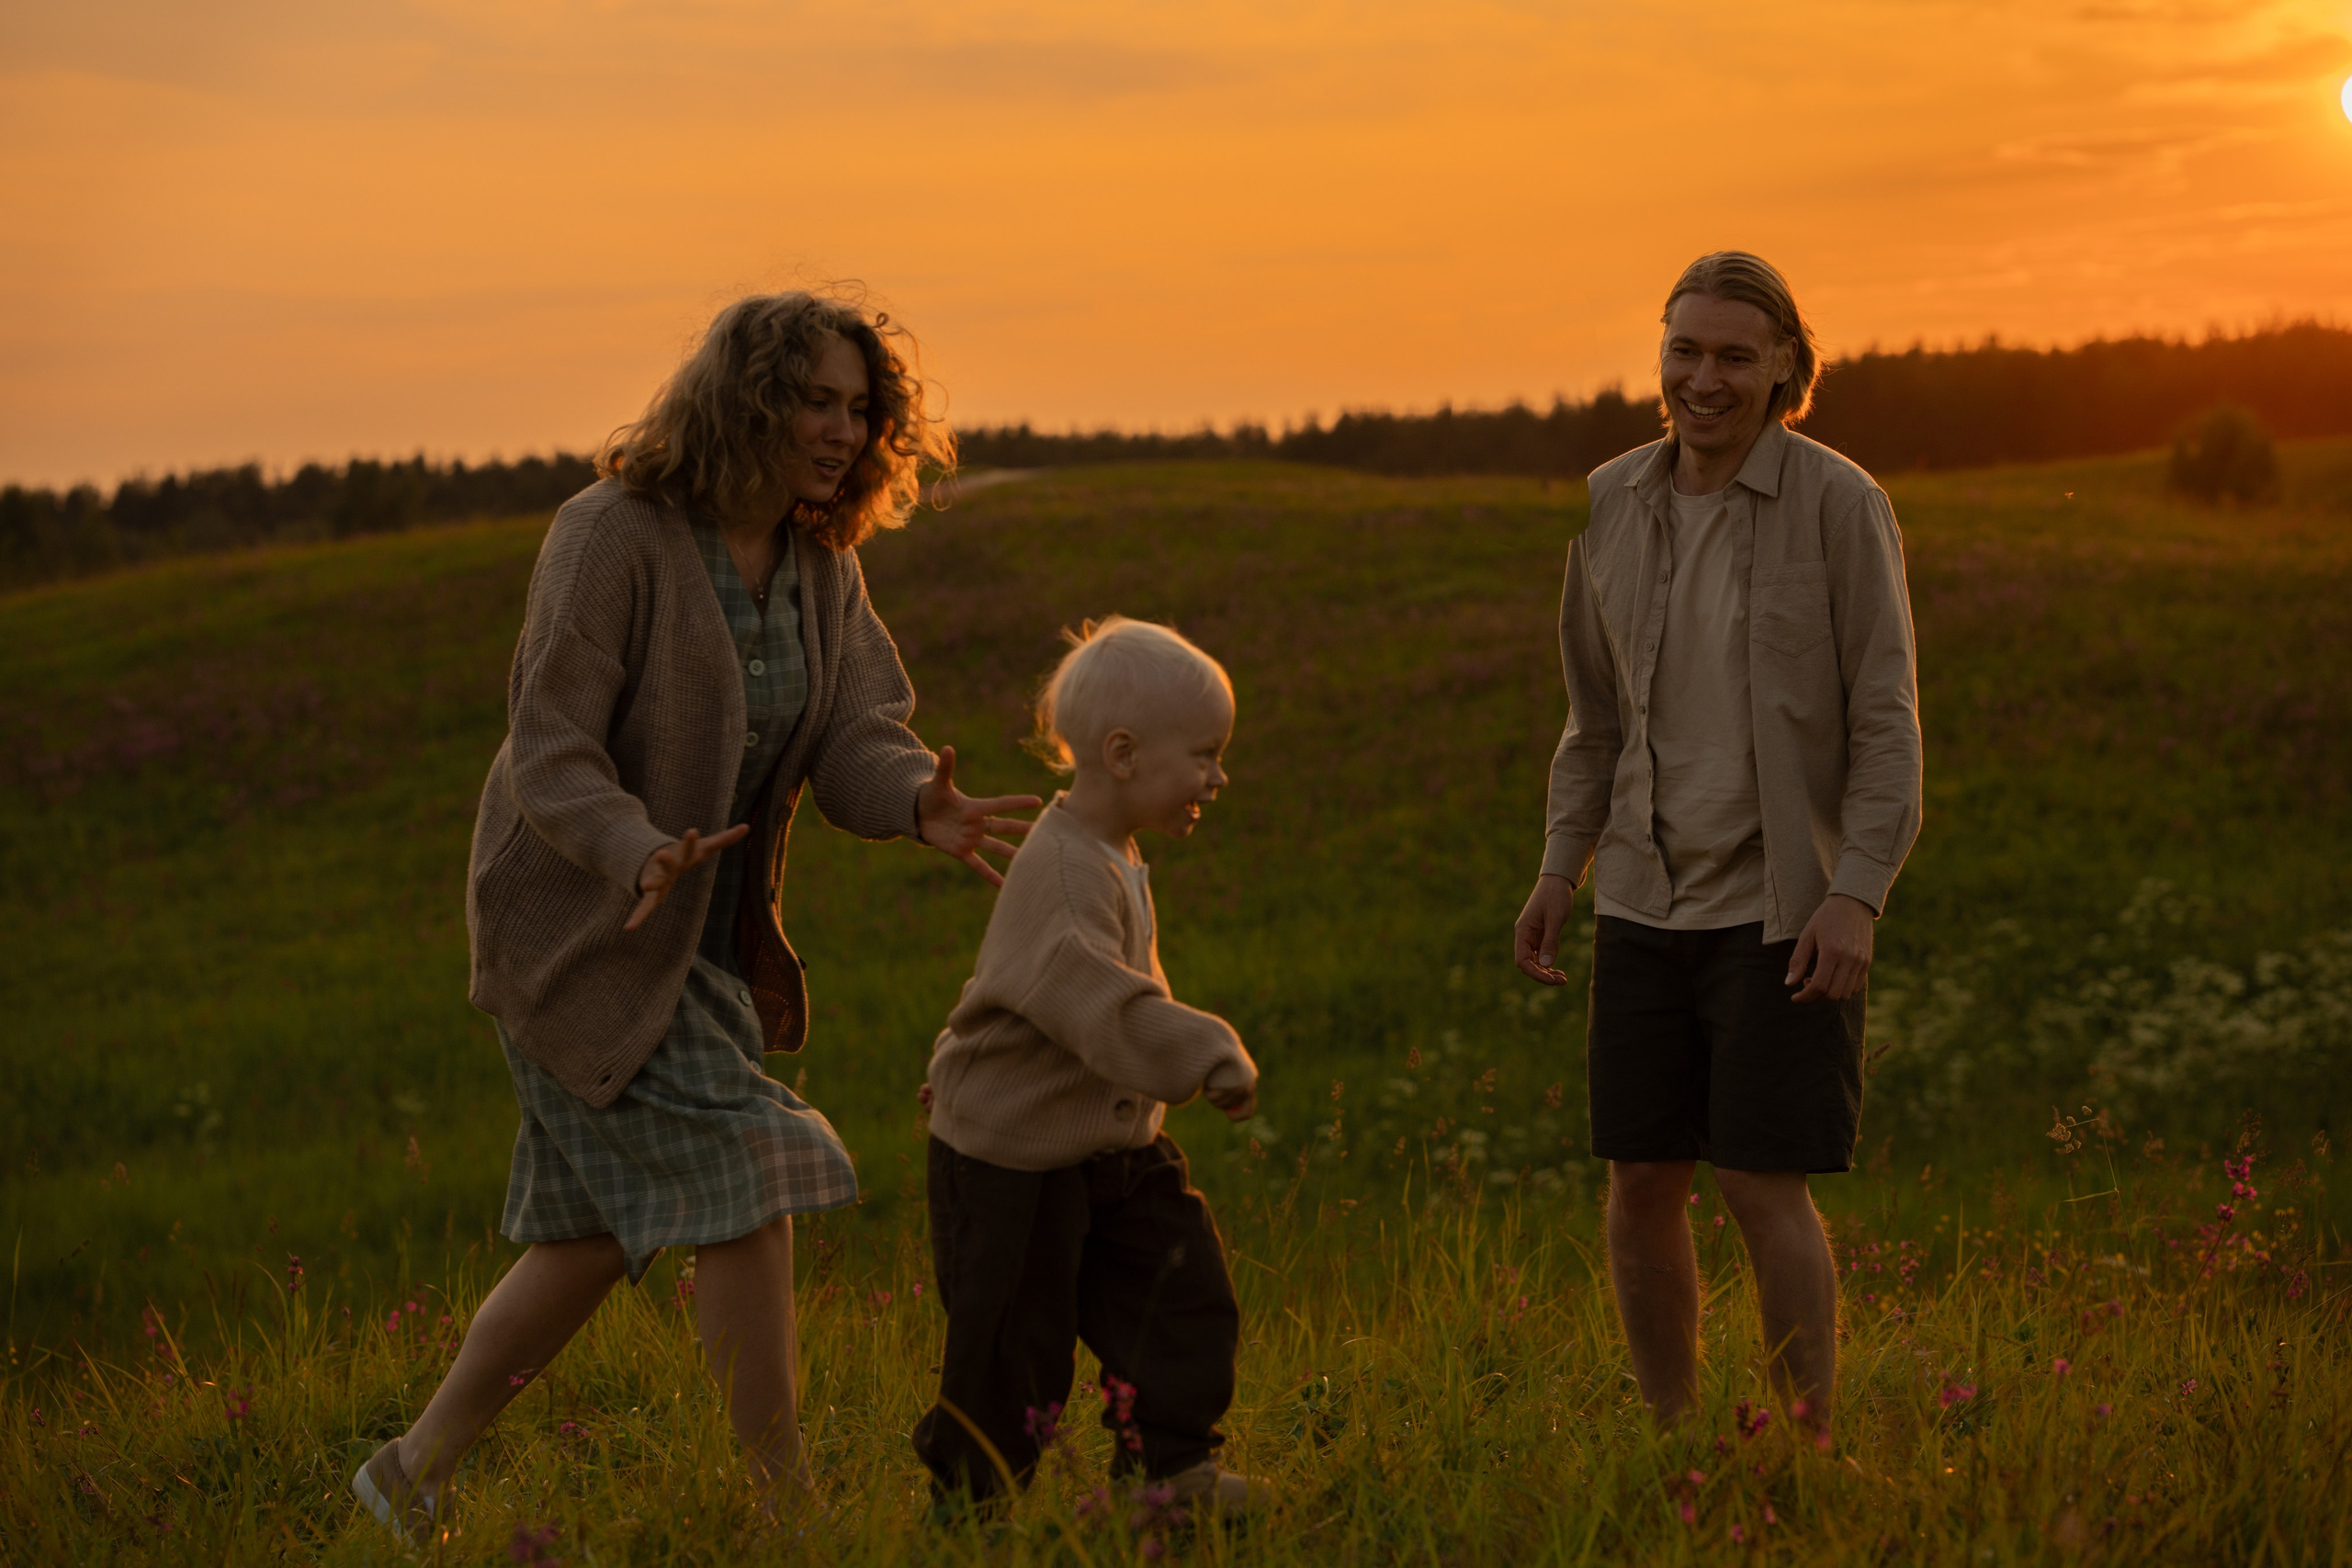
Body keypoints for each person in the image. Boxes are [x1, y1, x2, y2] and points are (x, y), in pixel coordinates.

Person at [352, 290, 1039, 1543]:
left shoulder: (821, 563)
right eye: (812, 400)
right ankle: (787, 1513)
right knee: (746, 1170)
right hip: (579, 930)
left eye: (857, 406)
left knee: (596, 1232)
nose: (840, 430)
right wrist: (638, 848)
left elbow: (856, 738)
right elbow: (550, 748)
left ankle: (405, 1475)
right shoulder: (610, 533)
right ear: (744, 399)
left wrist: (915, 805)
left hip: (704, 943)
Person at [1512, 252, 1922, 1436]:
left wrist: (1857, 895)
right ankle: (1672, 1439)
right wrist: (1559, 867)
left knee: (1756, 1180)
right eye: (1684, 349)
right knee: (1641, 1180)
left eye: (1735, 355)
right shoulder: (1610, 503)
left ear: (1787, 366)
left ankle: (1806, 1442)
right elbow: (1591, 721)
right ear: (1660, 355)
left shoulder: (1842, 506)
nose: (1704, 378)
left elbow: (1886, 725)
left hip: (1781, 907)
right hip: (1642, 894)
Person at [910, 617, 1268, 1515]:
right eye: (1205, 755)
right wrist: (1205, 1050)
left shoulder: (1111, 849)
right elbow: (1093, 1001)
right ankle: (975, 1509)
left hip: (1108, 1151)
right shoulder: (1066, 870)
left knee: (1178, 1291)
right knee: (1010, 1346)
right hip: (1008, 1164)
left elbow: (1011, 982)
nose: (1218, 777)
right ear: (1121, 753)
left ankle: (1171, 1472)